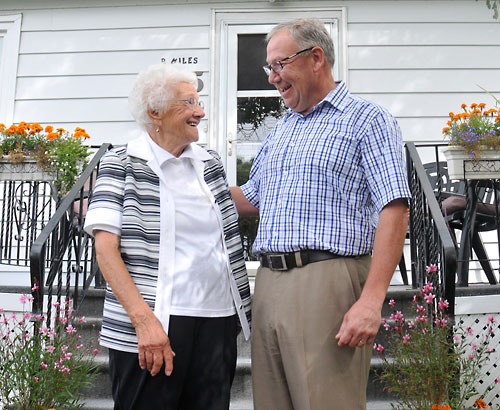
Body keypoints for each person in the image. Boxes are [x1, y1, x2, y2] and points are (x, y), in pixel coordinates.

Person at [230, 18, 411, 410]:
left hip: (328, 280)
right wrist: (174, 182)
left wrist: (371, 301)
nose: (272, 78)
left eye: (279, 65)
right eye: (269, 68)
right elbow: (249, 198)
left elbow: (394, 209)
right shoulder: (282, 129)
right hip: (269, 283)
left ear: (316, 58)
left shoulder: (367, 119)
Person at [84, 63, 251, 410]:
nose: (200, 111)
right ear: (155, 112)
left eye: (198, 101)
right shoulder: (122, 163)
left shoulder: (211, 164)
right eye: (188, 102)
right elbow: (106, 250)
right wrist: (145, 323)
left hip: (217, 321)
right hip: (154, 322)